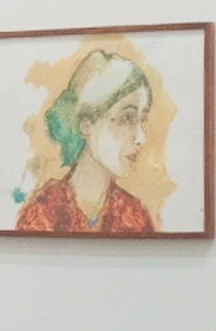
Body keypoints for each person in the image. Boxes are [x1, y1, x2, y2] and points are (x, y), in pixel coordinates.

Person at [14, 50, 155, 234]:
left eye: (142, 120)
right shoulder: (43, 213)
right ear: (86, 124)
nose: (141, 138)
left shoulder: (135, 216)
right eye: (127, 118)